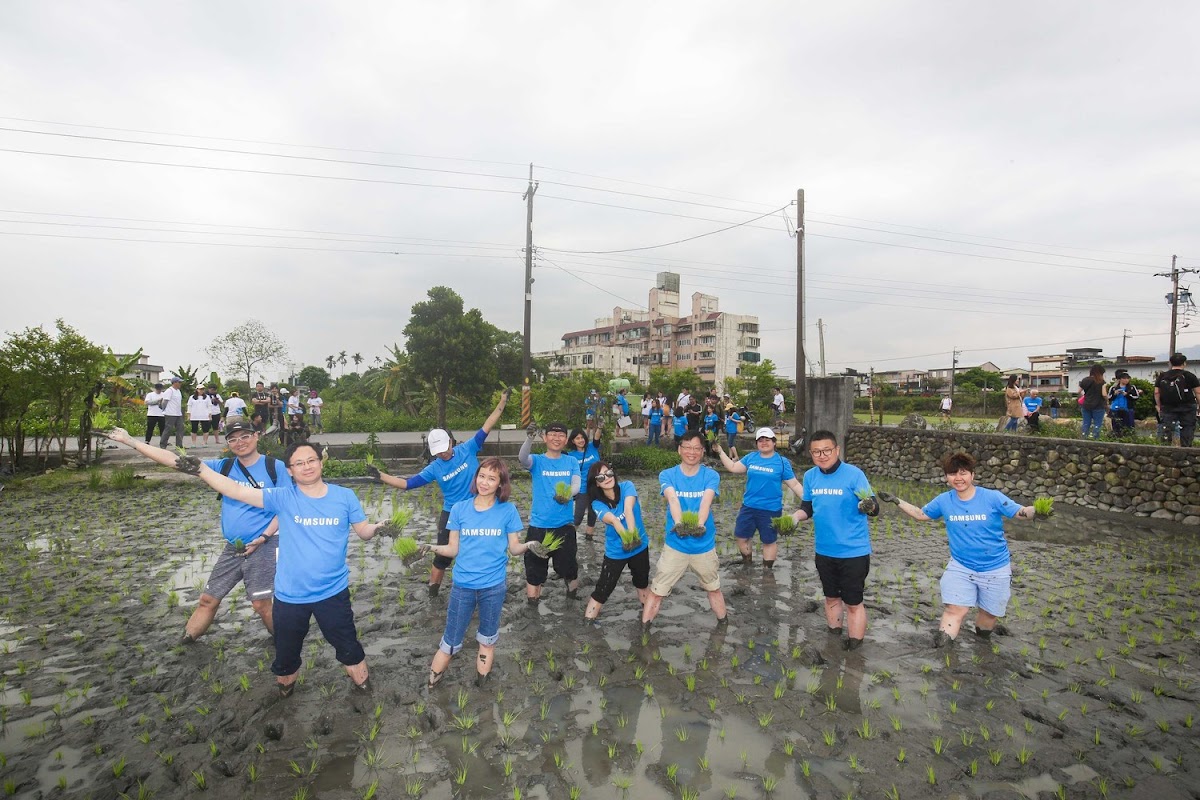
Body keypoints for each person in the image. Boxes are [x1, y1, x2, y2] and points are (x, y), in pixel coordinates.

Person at [101, 421, 291, 644]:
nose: (240, 442)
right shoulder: (224, 467)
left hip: (265, 544)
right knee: (208, 599)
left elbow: (285, 508)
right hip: (234, 547)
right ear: (228, 443)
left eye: (245, 436)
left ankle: (284, 644)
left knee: (261, 603)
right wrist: (130, 441)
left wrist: (264, 537)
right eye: (233, 439)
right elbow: (175, 462)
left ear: (257, 436)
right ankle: (184, 642)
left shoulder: (275, 467)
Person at [878, 451, 1041, 647]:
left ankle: (982, 644)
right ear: (947, 477)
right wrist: (897, 501)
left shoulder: (992, 497)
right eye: (953, 474)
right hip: (961, 567)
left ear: (972, 475)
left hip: (995, 567)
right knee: (955, 609)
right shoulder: (944, 501)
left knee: (988, 614)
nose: (958, 478)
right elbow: (921, 514)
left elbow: (1021, 512)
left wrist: (1038, 511)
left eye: (963, 473)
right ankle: (943, 651)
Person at [369, 390, 511, 596]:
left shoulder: (468, 449)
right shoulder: (434, 468)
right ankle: (432, 593)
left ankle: (482, 588)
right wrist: (380, 475)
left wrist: (502, 402)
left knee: (479, 550)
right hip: (452, 514)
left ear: (451, 442)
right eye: (438, 451)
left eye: (445, 448)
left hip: (479, 509)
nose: (443, 453)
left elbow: (488, 424)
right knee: (442, 557)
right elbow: (407, 484)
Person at [426, 458, 544, 689]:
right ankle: (432, 684)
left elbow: (513, 548)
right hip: (463, 586)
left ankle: (483, 686)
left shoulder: (508, 511)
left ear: (501, 484)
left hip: (493, 586)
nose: (485, 482)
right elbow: (452, 549)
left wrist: (530, 545)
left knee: (487, 640)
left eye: (492, 478)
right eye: (482, 476)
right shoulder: (460, 508)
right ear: (476, 477)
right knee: (450, 642)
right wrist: (428, 548)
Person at [790, 430, 879, 650]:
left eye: (826, 450)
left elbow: (874, 506)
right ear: (811, 453)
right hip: (824, 550)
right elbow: (807, 508)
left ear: (837, 450)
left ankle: (855, 646)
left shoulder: (854, 474)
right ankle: (833, 636)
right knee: (830, 597)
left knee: (853, 602)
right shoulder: (811, 476)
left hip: (853, 552)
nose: (822, 455)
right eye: (816, 452)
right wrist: (794, 518)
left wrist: (868, 505)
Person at [641, 431, 728, 628]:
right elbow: (672, 498)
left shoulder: (711, 475)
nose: (692, 452)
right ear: (679, 450)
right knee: (657, 590)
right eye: (687, 447)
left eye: (697, 448)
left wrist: (699, 525)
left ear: (703, 451)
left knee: (713, 588)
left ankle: (723, 624)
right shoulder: (668, 474)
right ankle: (644, 628)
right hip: (675, 545)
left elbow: (706, 501)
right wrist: (679, 524)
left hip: (704, 546)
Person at [715, 427, 804, 569]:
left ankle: (767, 570)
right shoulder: (751, 458)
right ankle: (747, 563)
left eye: (767, 440)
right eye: (760, 440)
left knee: (769, 541)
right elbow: (732, 467)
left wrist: (808, 502)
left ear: (774, 442)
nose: (764, 442)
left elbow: (793, 483)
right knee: (741, 536)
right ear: (757, 443)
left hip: (771, 509)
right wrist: (720, 451)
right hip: (749, 506)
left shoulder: (781, 462)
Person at [519, 422, 583, 602]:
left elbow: (577, 484)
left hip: (564, 526)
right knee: (534, 570)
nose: (556, 438)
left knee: (568, 568)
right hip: (538, 526)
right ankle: (532, 606)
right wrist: (529, 437)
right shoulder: (537, 461)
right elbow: (523, 459)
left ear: (565, 439)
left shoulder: (571, 461)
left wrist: (567, 494)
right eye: (552, 434)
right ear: (545, 438)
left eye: (561, 435)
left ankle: (572, 598)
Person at [584, 461, 650, 623]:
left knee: (642, 583)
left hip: (639, 547)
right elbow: (613, 520)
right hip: (616, 552)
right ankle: (587, 623)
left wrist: (633, 538)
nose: (606, 478)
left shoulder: (627, 486)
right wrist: (626, 538)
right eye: (600, 477)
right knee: (603, 589)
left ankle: (647, 620)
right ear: (596, 484)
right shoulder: (597, 504)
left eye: (608, 473)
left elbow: (628, 510)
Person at [566, 422, 603, 540]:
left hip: (597, 486)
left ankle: (589, 536)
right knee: (578, 516)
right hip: (582, 489)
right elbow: (555, 452)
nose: (581, 440)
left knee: (593, 512)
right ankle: (568, 538)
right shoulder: (570, 455)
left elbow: (597, 438)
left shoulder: (592, 447)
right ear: (573, 441)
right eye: (577, 438)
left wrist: (600, 427)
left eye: (582, 437)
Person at [1154, 353, 1200, 446]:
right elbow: (1198, 392)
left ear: (1170, 363)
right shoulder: (1189, 375)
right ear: (1184, 363)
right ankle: (1186, 450)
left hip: (1168, 406)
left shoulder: (1162, 376)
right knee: (1187, 427)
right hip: (1188, 406)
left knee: (1166, 428)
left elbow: (1156, 392)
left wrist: (1159, 406)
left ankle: (1165, 451)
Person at [1078, 365, 1107, 440]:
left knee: (1086, 423)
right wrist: (1107, 399)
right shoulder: (1102, 382)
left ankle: (1084, 438)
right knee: (1097, 424)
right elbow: (1104, 394)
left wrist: (1085, 396)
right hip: (1099, 405)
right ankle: (1095, 439)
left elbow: (1078, 391)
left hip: (1086, 405)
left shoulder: (1085, 380)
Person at [1108, 370, 1140, 436]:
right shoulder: (1113, 388)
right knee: (1116, 426)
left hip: (1128, 409)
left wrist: (1127, 395)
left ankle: (1128, 438)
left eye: (1127, 378)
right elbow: (1109, 398)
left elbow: (1136, 397)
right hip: (1115, 409)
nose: (1126, 380)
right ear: (1120, 379)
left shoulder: (1131, 387)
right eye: (1124, 378)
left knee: (1129, 427)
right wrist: (1115, 394)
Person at [159, 376, 184, 449]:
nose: (180, 384)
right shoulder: (169, 391)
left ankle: (179, 445)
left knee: (180, 428)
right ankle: (163, 444)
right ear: (175, 383)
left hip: (178, 413)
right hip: (170, 413)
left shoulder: (178, 391)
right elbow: (164, 402)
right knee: (168, 429)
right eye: (179, 382)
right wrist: (164, 410)